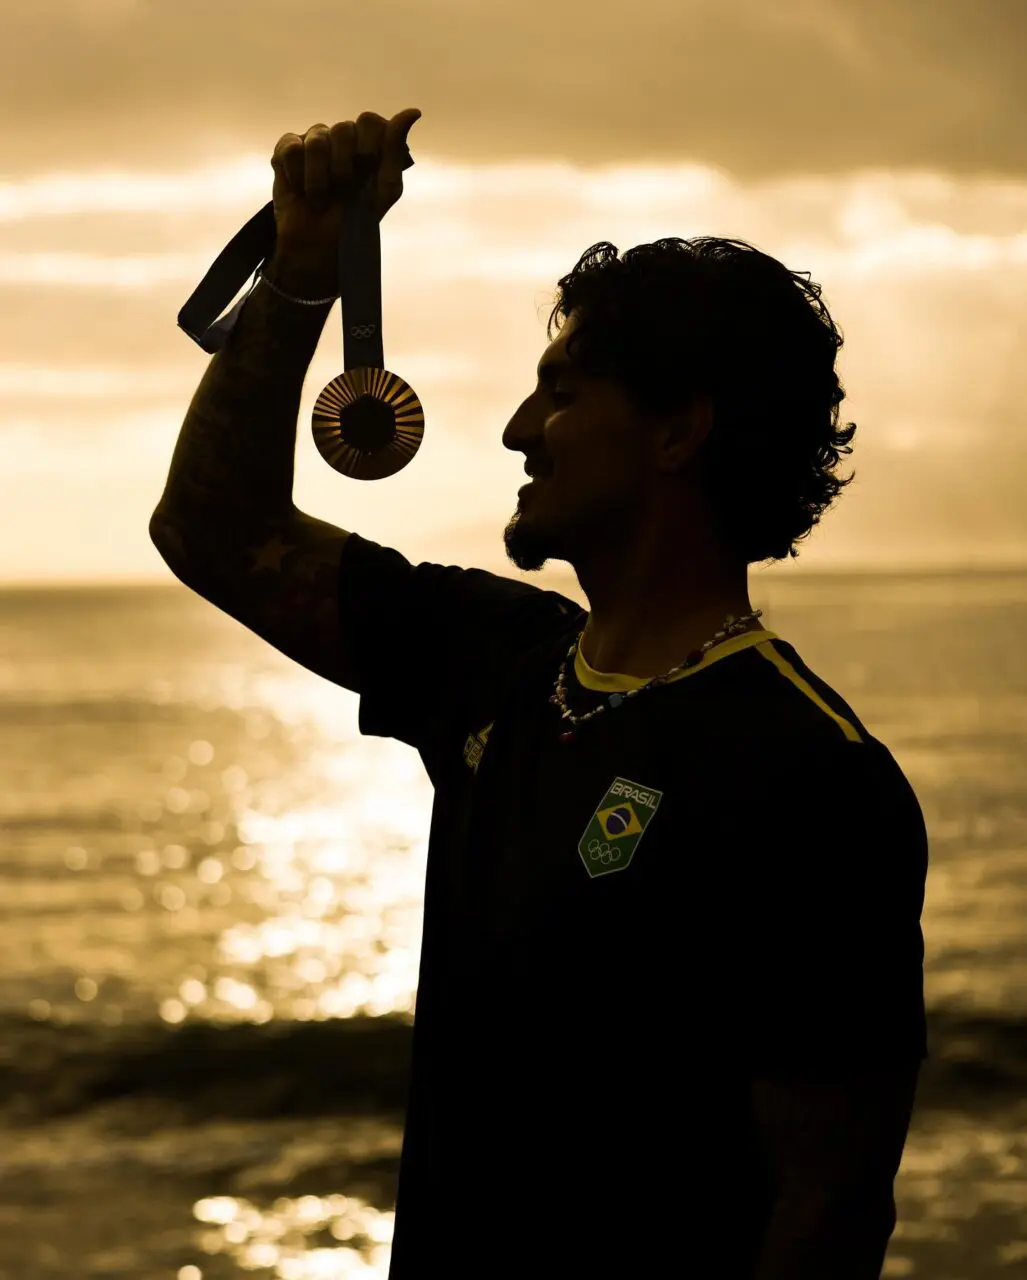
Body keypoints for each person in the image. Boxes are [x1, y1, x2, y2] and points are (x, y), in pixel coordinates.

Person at [150, 111, 929, 1279]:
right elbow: (213, 527)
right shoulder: (493, 655)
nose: (519, 430)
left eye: (559, 393)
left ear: (676, 430)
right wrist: (302, 277)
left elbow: (828, 1208)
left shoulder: (811, 775)